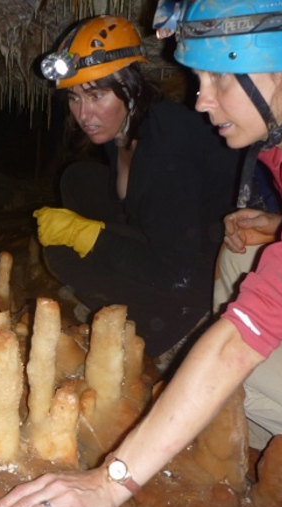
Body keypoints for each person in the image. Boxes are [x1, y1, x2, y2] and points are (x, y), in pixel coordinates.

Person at [0, 1, 282, 507]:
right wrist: (280, 226)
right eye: (199, 78)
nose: (201, 100)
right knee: (242, 255)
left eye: (219, 80)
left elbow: (238, 333)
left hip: (187, 291)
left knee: (228, 362)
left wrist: (111, 481)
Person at [32, 15, 243, 359]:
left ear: (131, 88)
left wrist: (90, 236)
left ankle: (161, 323)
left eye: (97, 95)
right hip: (171, 228)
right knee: (77, 179)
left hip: (202, 275)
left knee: (63, 253)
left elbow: (177, 271)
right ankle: (132, 292)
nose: (84, 114)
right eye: (74, 98)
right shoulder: (124, 127)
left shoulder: (164, 148)